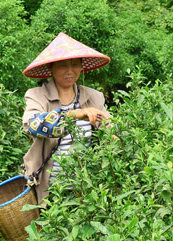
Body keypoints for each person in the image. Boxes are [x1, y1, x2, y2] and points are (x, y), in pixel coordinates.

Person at [21, 32, 112, 204]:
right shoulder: (37, 95)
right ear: (51, 68)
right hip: (51, 189)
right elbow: (32, 125)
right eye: (63, 65)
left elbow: (110, 128)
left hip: (87, 186)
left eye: (75, 64)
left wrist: (113, 131)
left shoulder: (93, 97)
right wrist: (76, 114)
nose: (70, 71)